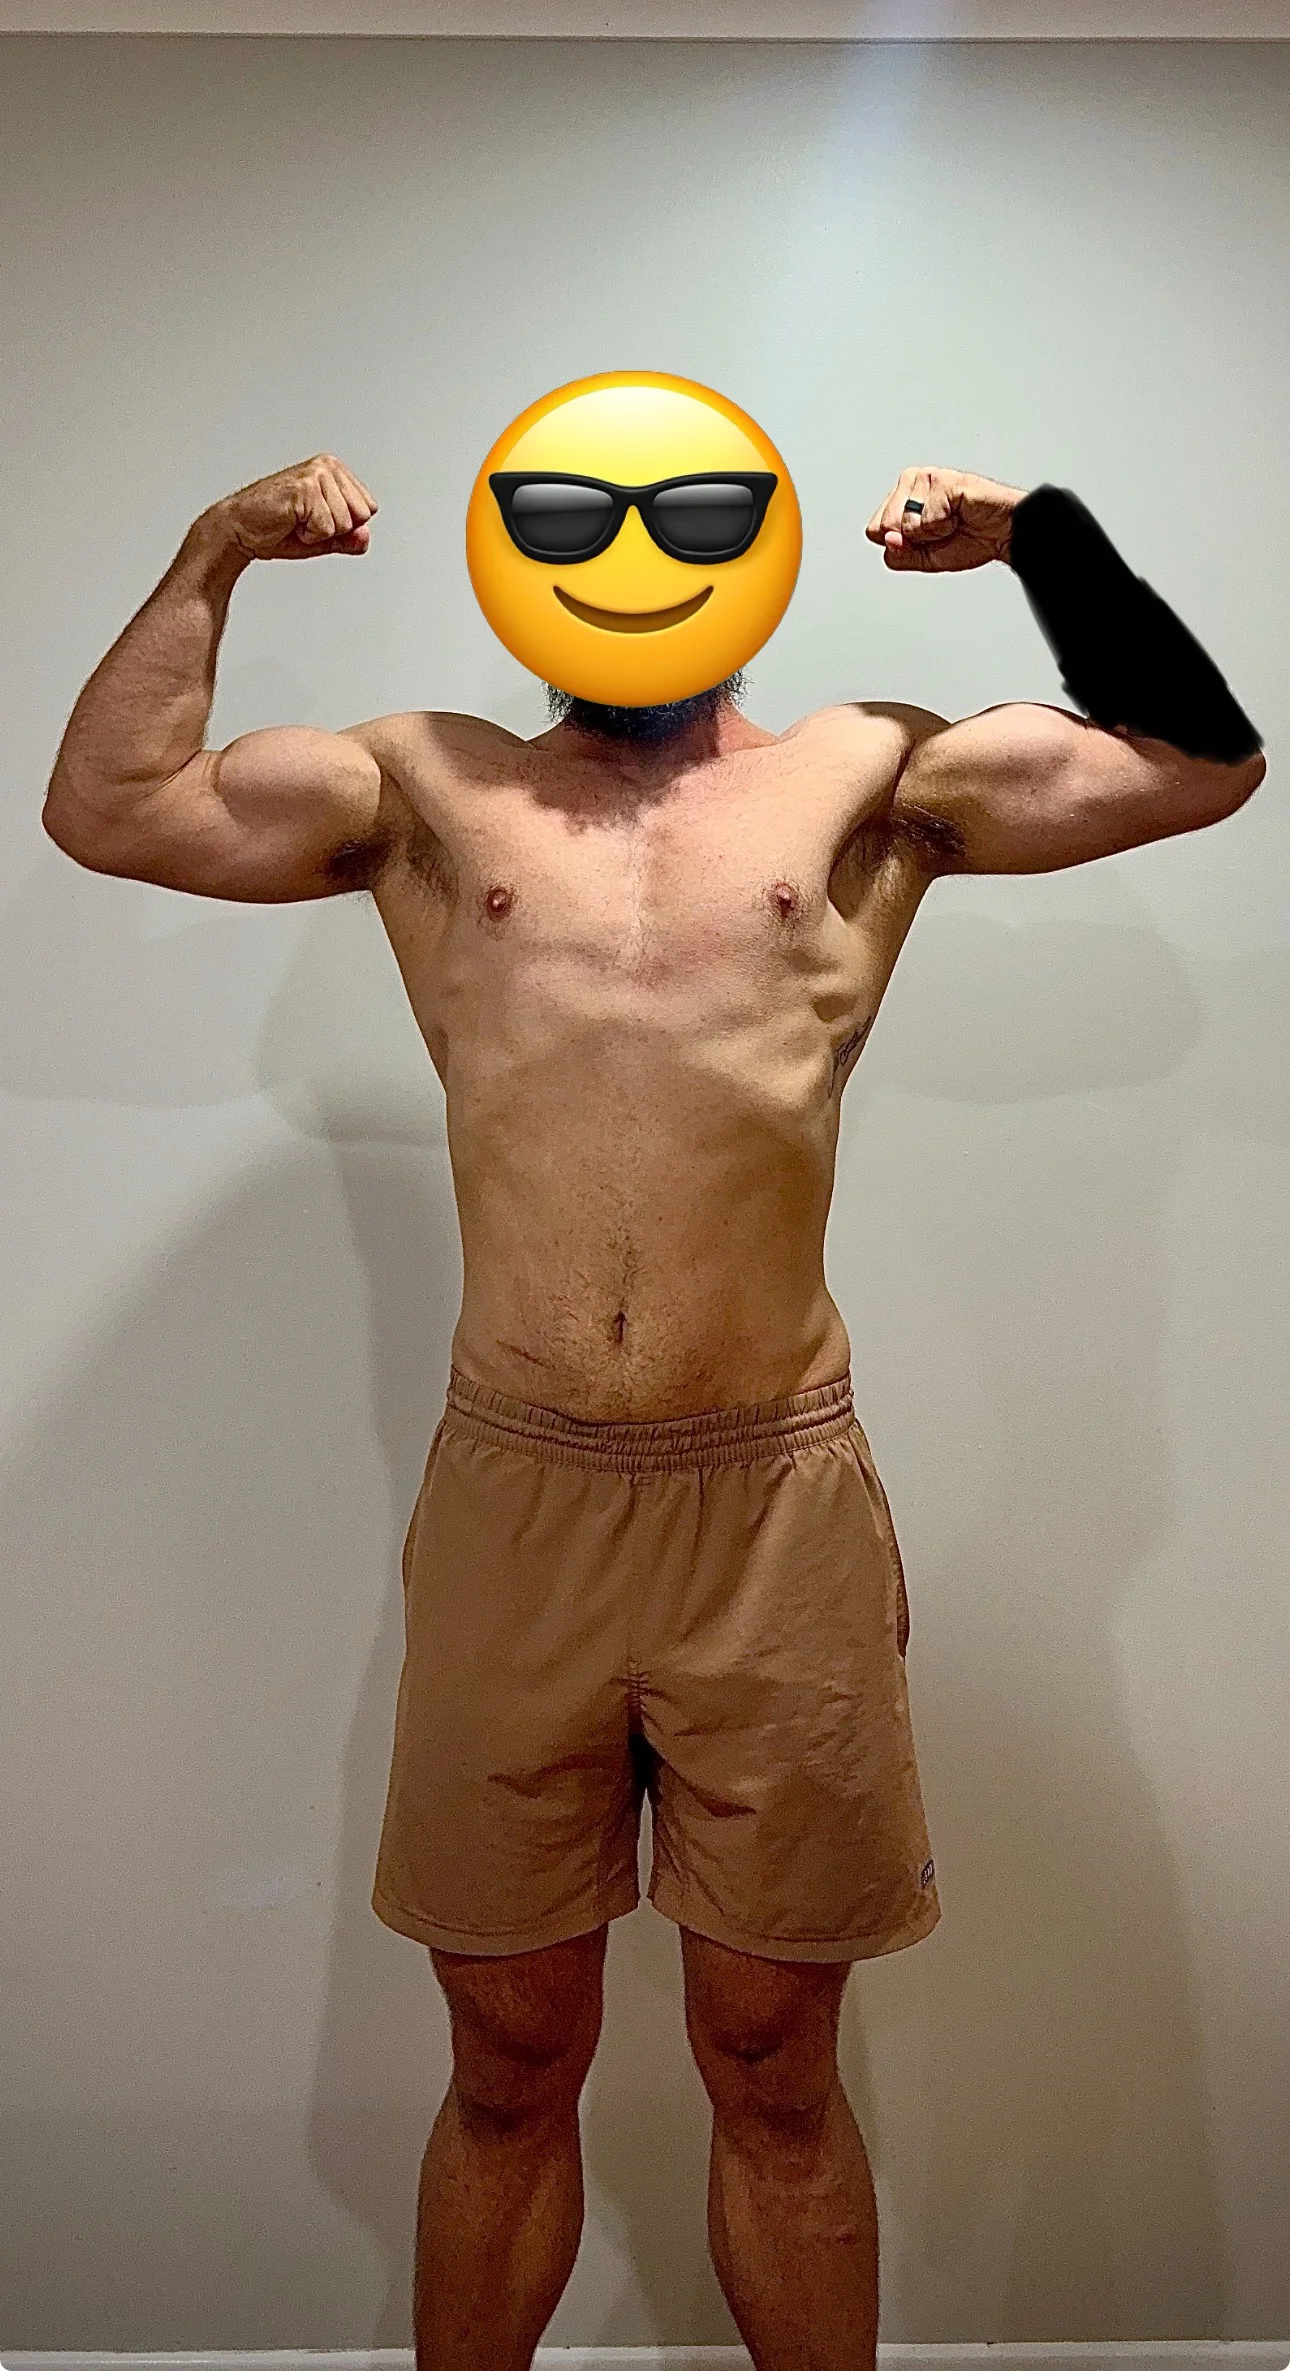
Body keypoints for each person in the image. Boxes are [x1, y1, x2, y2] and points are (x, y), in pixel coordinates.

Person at [43, 450, 1264, 2371]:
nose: (630, 558)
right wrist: (216, 551)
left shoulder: (869, 775)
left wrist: (1041, 536)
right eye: (575, 521)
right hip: (518, 1497)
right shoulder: (422, 785)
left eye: (690, 518)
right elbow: (108, 808)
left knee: (771, 2058)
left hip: (768, 1504)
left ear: (751, 552)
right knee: (506, 2056)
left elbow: (1198, 766)